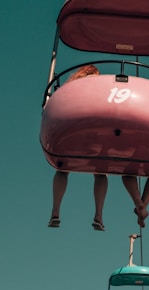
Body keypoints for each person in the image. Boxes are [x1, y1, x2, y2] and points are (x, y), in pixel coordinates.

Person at [48, 64, 108, 231]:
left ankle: (55, 210)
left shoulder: (69, 89)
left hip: (73, 131)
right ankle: (98, 214)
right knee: (100, 172)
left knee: (62, 168)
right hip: (93, 132)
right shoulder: (98, 88)